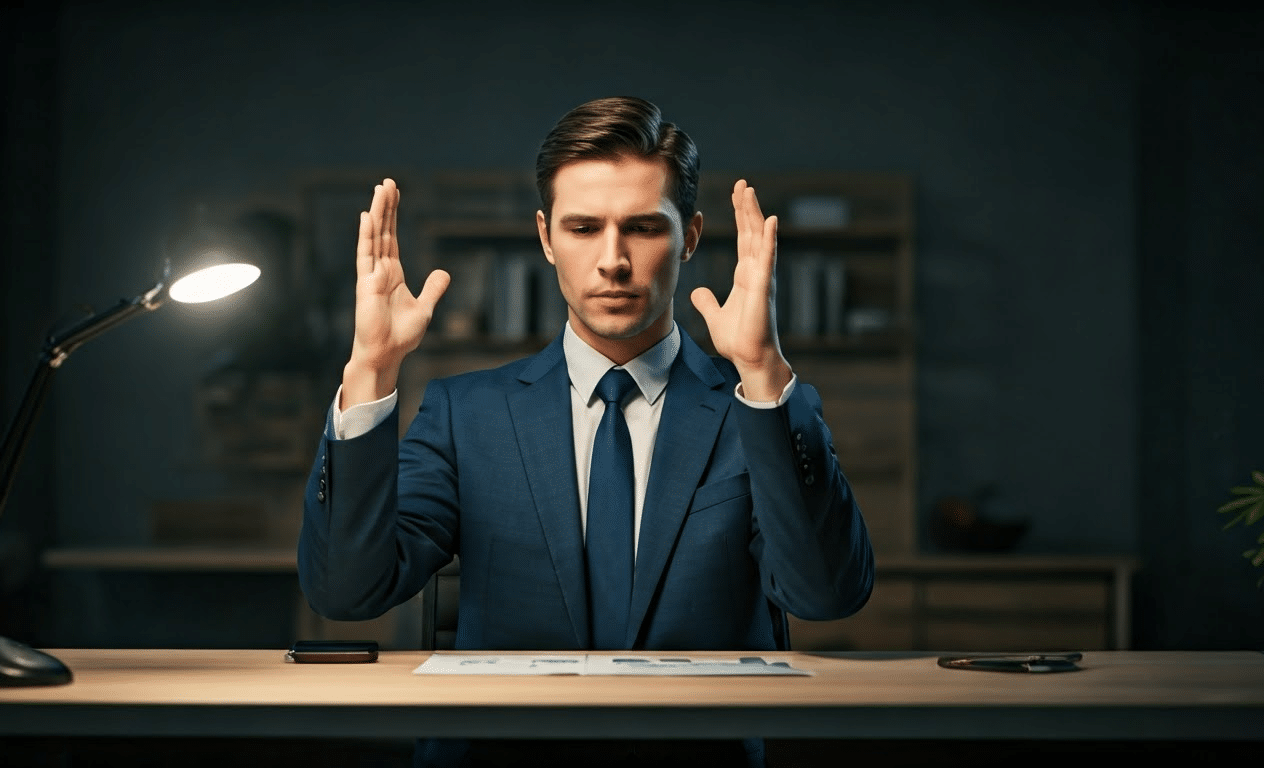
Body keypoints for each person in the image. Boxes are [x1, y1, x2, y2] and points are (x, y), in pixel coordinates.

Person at [298, 96, 874, 768]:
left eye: (642, 228)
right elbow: (346, 592)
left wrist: (763, 373)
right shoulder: (467, 415)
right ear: (546, 237)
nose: (613, 261)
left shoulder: (754, 411)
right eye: (582, 227)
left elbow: (828, 595)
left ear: (689, 236)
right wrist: (371, 370)